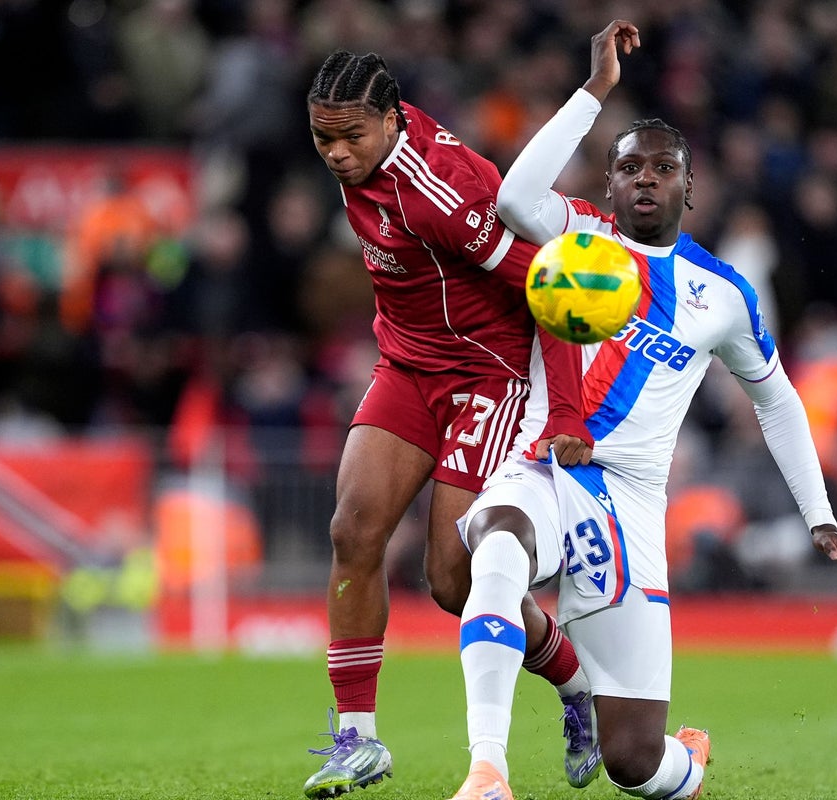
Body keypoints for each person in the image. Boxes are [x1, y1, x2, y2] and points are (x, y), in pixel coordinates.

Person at [449, 20, 837, 800]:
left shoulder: (722, 295)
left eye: (664, 167)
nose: (646, 179)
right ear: (610, 184)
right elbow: (512, 197)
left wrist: (819, 515)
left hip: (633, 506)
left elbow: (778, 403)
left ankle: (685, 761)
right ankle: (487, 771)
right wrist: (594, 90)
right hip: (546, 464)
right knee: (499, 545)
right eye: (629, 167)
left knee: (635, 764)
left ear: (689, 187)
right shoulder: (578, 235)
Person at [301, 49, 602, 798]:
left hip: (485, 375)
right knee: (352, 530)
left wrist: (566, 410)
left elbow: (551, 281)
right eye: (322, 138)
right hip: (406, 366)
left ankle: (577, 684)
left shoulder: (440, 192)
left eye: (351, 137)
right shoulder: (362, 153)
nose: (336, 153)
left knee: (453, 580)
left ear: (391, 121)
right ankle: (357, 740)